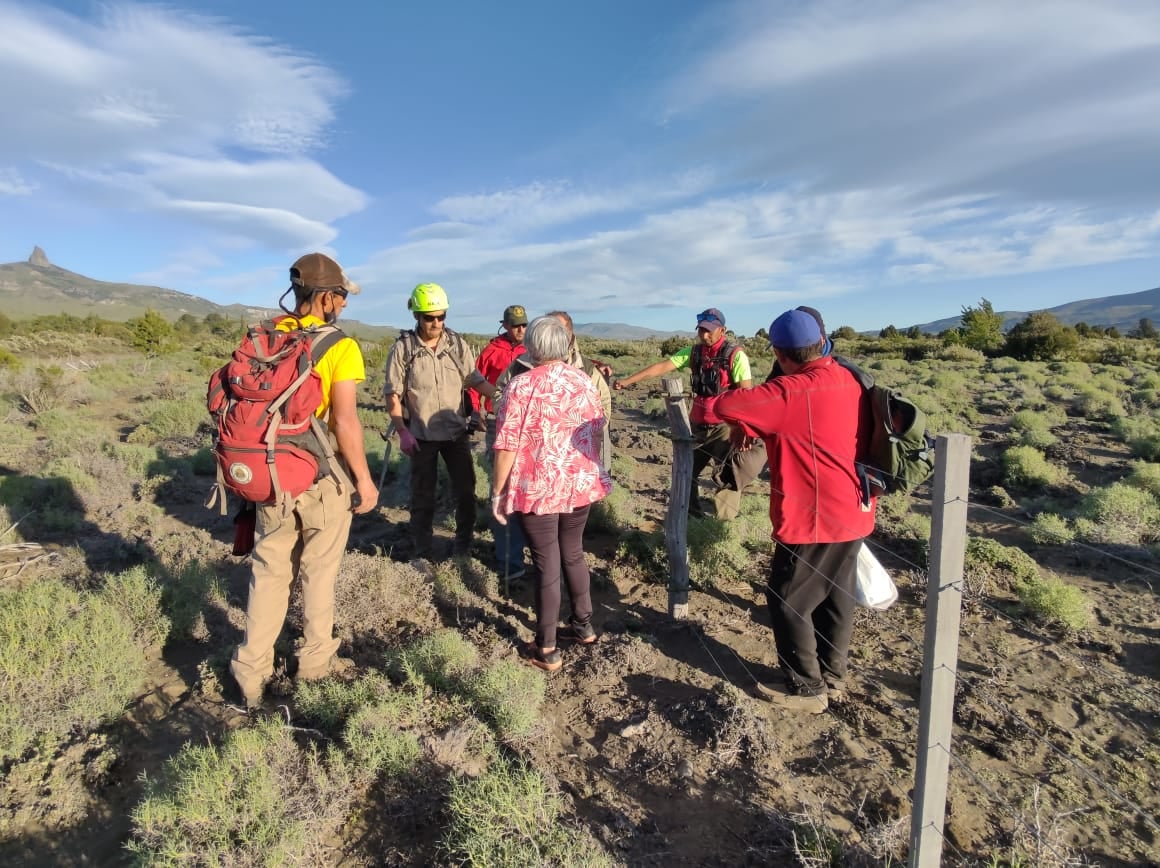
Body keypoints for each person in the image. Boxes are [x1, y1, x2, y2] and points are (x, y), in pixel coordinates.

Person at [706, 309, 875, 714]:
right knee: (836, 596)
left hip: (815, 516)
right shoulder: (847, 377)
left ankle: (807, 688)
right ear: (822, 343)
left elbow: (724, 405)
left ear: (780, 355)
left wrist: (761, 396)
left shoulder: (788, 392)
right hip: (855, 506)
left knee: (787, 599)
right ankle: (832, 674)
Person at [230, 252, 379, 710]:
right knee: (318, 571)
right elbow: (346, 423)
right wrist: (365, 481)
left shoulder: (265, 337)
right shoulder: (340, 346)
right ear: (328, 297)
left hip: (270, 473)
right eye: (341, 297)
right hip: (319, 476)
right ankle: (313, 666)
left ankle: (251, 674)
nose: (345, 307)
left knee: (269, 572)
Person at [491, 316, 612, 672]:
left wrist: (498, 491)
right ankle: (583, 625)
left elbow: (507, 445)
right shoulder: (585, 381)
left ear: (531, 346)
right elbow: (598, 429)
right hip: (578, 484)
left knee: (547, 562)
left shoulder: (520, 386)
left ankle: (546, 647)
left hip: (538, 488)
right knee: (573, 552)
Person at [613, 308, 765, 519]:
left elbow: (746, 395)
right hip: (697, 426)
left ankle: (724, 522)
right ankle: (692, 516)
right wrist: (628, 381)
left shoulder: (735, 355)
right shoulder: (694, 352)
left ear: (723, 330)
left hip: (725, 428)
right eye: (701, 330)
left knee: (727, 476)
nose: (704, 335)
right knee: (687, 471)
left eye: (709, 331)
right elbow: (662, 367)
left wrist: (743, 428)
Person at [383, 283, 496, 560]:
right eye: (429, 317)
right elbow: (393, 394)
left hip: (456, 434)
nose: (436, 323)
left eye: (441, 316)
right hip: (420, 436)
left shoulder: (456, 344)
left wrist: (506, 397)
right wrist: (402, 432)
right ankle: (422, 551)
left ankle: (463, 546)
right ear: (417, 316)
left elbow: (476, 380)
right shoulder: (404, 348)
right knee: (422, 498)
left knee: (466, 493)